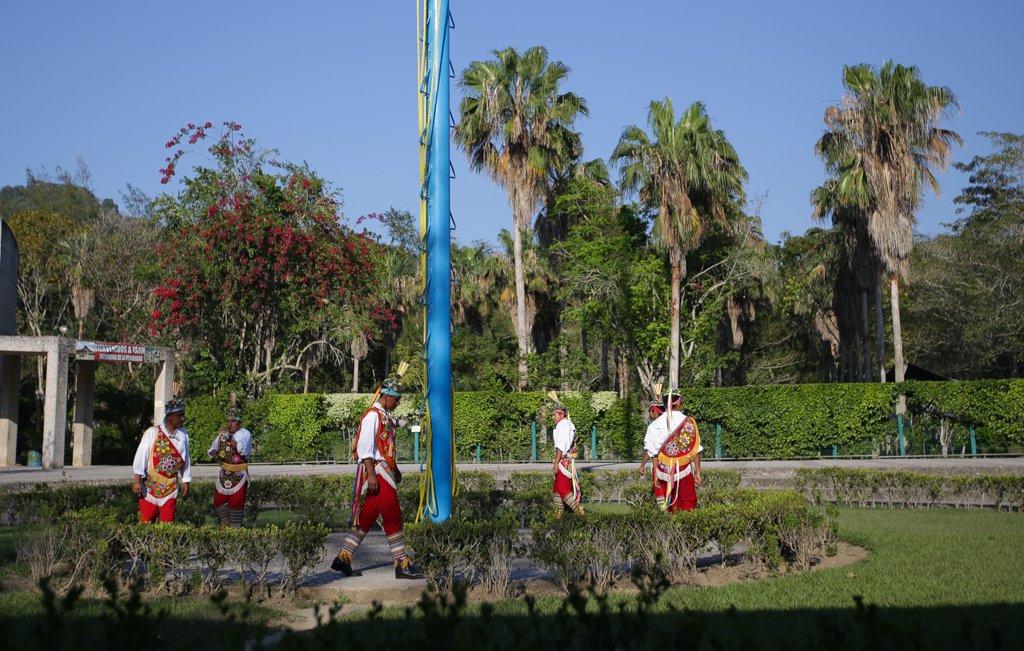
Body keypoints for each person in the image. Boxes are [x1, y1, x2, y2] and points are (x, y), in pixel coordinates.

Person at [331, 377, 423, 579]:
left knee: (366, 518)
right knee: (393, 515)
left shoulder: (384, 415)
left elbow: (386, 447)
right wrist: (371, 474)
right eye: (396, 399)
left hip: (384, 470)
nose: (398, 403)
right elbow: (365, 447)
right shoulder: (373, 416)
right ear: (387, 396)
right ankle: (402, 562)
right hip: (378, 472)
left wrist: (395, 469)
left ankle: (344, 557)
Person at [638, 389, 702, 512]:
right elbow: (696, 449)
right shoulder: (689, 422)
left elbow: (653, 452)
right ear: (678, 404)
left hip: (663, 470)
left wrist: (656, 474)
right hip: (684, 468)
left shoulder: (654, 425)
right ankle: (685, 527)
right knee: (688, 500)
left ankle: (671, 528)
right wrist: (698, 471)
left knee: (670, 502)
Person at [132, 396, 191, 523]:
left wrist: (185, 479)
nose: (183, 419)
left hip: (171, 485)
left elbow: (185, 458)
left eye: (183, 415)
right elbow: (142, 454)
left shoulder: (183, 434)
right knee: (146, 519)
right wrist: (137, 480)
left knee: (167, 521)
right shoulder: (153, 433)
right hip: (150, 484)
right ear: (169, 416)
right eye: (179, 415)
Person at [207, 400, 252, 528]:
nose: (229, 424)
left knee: (236, 505)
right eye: (228, 421)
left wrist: (230, 440)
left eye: (233, 421)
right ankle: (227, 523)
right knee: (218, 501)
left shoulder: (245, 434)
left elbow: (243, 450)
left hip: (238, 474)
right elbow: (211, 449)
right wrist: (214, 453)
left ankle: (235, 529)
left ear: (240, 423)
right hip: (224, 473)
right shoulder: (223, 435)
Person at [549, 395, 585, 517]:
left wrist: (555, 464)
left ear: (562, 415)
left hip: (562, 463)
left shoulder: (562, 425)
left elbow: (561, 446)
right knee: (557, 491)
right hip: (566, 462)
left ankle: (581, 512)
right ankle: (558, 515)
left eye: (554, 415)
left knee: (564, 490)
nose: (552, 417)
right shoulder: (568, 424)